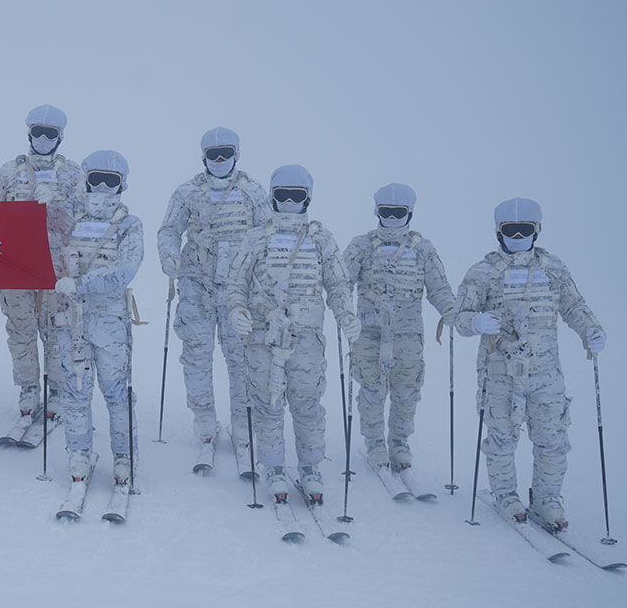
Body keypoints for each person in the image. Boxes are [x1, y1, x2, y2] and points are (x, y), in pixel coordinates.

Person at [453, 198, 604, 530]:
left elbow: (574, 305)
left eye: (525, 230)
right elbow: (458, 316)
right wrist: (476, 322)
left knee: (552, 437)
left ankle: (548, 498)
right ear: (499, 231)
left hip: (545, 371)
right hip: (500, 371)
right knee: (502, 436)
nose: (518, 237)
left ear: (537, 231)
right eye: (511, 230)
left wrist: (591, 329)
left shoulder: (553, 268)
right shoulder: (483, 272)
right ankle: (505, 494)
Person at [227, 165, 360, 504]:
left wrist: (346, 314)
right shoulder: (256, 238)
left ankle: (310, 467)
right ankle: (273, 467)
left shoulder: (321, 239)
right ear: (272, 197)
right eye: (281, 196)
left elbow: (338, 283)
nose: (288, 202)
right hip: (263, 336)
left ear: (307, 199)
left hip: (306, 338)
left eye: (295, 196)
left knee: (307, 403)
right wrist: (237, 310)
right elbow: (236, 283)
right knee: (267, 403)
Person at [156, 127, 270, 461]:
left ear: (236, 154)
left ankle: (242, 425)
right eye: (213, 155)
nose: (220, 161)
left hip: (239, 292)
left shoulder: (253, 192)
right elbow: (168, 229)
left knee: (243, 360)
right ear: (203, 157)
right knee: (196, 358)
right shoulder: (188, 192)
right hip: (197, 287)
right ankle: (204, 421)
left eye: (226, 154)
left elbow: (268, 235)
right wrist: (170, 256)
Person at [341, 183, 456, 470]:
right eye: (386, 212)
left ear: (410, 213)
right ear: (377, 212)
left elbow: (439, 289)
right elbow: (341, 282)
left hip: (408, 335)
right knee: (372, 389)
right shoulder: (362, 246)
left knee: (406, 391)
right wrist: (345, 315)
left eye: (398, 212)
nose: (392, 218)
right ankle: (375, 443)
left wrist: (455, 314)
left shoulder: (422, 249)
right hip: (369, 333)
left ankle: (400, 442)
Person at [0, 104, 82, 422]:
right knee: (21, 330)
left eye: (50, 133)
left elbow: (83, 221)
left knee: (57, 331)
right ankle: (28, 387)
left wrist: (57, 203)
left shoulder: (71, 174)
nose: (43, 139)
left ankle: (56, 389)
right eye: (38, 133)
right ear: (29, 134)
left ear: (60, 136)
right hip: (16, 265)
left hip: (57, 268)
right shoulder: (9, 171)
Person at [54, 150, 144, 487]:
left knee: (116, 391)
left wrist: (80, 283)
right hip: (70, 320)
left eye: (112, 181)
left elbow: (125, 270)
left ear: (122, 185)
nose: (103, 188)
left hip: (109, 322)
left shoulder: (129, 225)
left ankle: (124, 455)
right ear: (85, 181)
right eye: (96, 180)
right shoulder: (67, 219)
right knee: (75, 390)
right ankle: (79, 451)